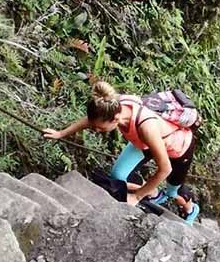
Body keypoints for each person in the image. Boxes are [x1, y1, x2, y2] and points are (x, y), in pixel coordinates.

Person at [43, 81, 197, 209]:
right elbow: (90, 121)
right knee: (118, 175)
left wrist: (136, 197)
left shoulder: (146, 127)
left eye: (100, 129)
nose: (96, 130)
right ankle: (153, 192)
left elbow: (165, 169)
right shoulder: (111, 103)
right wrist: (60, 134)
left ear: (115, 119)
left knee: (172, 192)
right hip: (144, 143)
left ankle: (190, 209)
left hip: (178, 149)